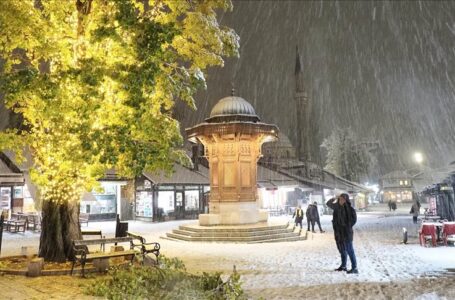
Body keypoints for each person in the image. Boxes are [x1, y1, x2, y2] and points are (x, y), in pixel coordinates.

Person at [326, 193, 358, 274]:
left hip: (347, 233)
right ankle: (343, 266)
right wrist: (334, 197)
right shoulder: (336, 207)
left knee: (350, 250)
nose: (341, 200)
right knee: (342, 250)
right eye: (340, 199)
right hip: (338, 232)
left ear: (346, 200)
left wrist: (347, 226)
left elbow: (354, 220)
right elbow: (328, 204)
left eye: (343, 199)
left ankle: (354, 268)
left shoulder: (350, 209)